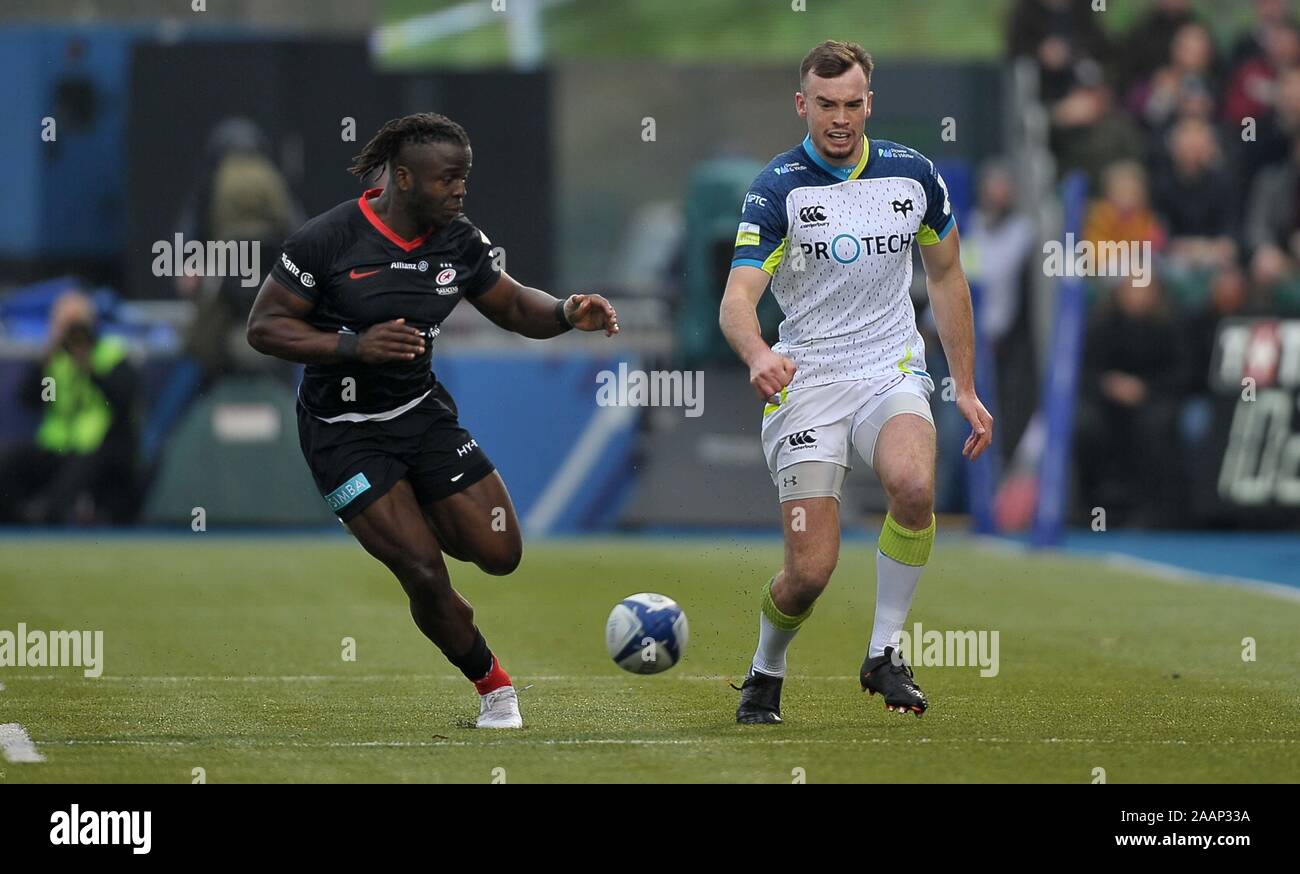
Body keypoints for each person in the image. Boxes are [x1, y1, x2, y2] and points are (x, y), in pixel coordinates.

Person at [245, 113, 619, 729]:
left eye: (464, 178)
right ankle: (493, 688)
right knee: (422, 569)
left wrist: (566, 312)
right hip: (343, 434)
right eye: (448, 178)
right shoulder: (327, 239)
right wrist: (352, 346)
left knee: (500, 552)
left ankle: (419, 518)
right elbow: (263, 328)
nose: (459, 190)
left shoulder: (458, 240)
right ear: (403, 178)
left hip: (421, 417)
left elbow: (512, 304)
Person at [719, 41, 993, 723]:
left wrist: (963, 385)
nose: (839, 119)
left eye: (851, 105)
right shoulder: (777, 188)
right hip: (806, 381)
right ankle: (766, 669)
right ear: (801, 104)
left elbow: (947, 274)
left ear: (868, 102)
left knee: (915, 486)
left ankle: (884, 654)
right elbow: (736, 299)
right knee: (809, 573)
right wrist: (757, 354)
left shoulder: (913, 176)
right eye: (825, 105)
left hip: (889, 369)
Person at [0, 291, 139, 524]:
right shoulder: (55, 359)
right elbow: (29, 399)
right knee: (10, 462)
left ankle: (47, 515)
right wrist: (48, 353)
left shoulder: (109, 353)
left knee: (75, 476)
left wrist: (89, 367)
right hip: (56, 445)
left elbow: (123, 398)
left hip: (96, 446)